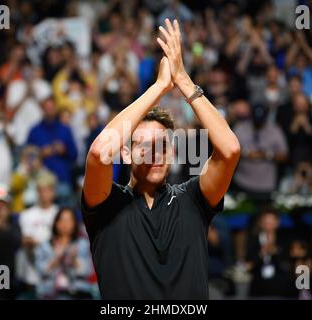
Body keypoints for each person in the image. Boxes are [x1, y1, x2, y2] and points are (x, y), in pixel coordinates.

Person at [81, 19, 240, 299]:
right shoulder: (107, 205)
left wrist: (182, 79)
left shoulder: (192, 199)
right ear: (127, 153)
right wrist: (158, 88)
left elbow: (229, 150)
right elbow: (100, 152)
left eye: (162, 145)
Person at [35, 208, 97, 299]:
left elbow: (88, 271)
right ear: (56, 223)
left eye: (69, 220)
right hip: (52, 293)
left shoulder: (82, 244)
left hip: (78, 292)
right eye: (62, 220)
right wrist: (56, 259)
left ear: (74, 224)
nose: (65, 224)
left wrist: (74, 260)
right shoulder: (45, 245)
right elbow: (41, 270)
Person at [26, 95, 78, 206]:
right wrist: (40, 153)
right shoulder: (34, 131)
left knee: (65, 216)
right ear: (42, 108)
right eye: (47, 107)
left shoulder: (65, 129)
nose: (49, 110)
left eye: (52, 107)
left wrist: (64, 150)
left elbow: (74, 155)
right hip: (41, 181)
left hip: (62, 180)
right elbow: (27, 157)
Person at [16, 170, 58, 298]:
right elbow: (26, 239)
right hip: (31, 273)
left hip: (54, 273)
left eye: (47, 190)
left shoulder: (60, 213)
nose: (44, 194)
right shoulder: (26, 215)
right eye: (40, 190)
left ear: (53, 191)